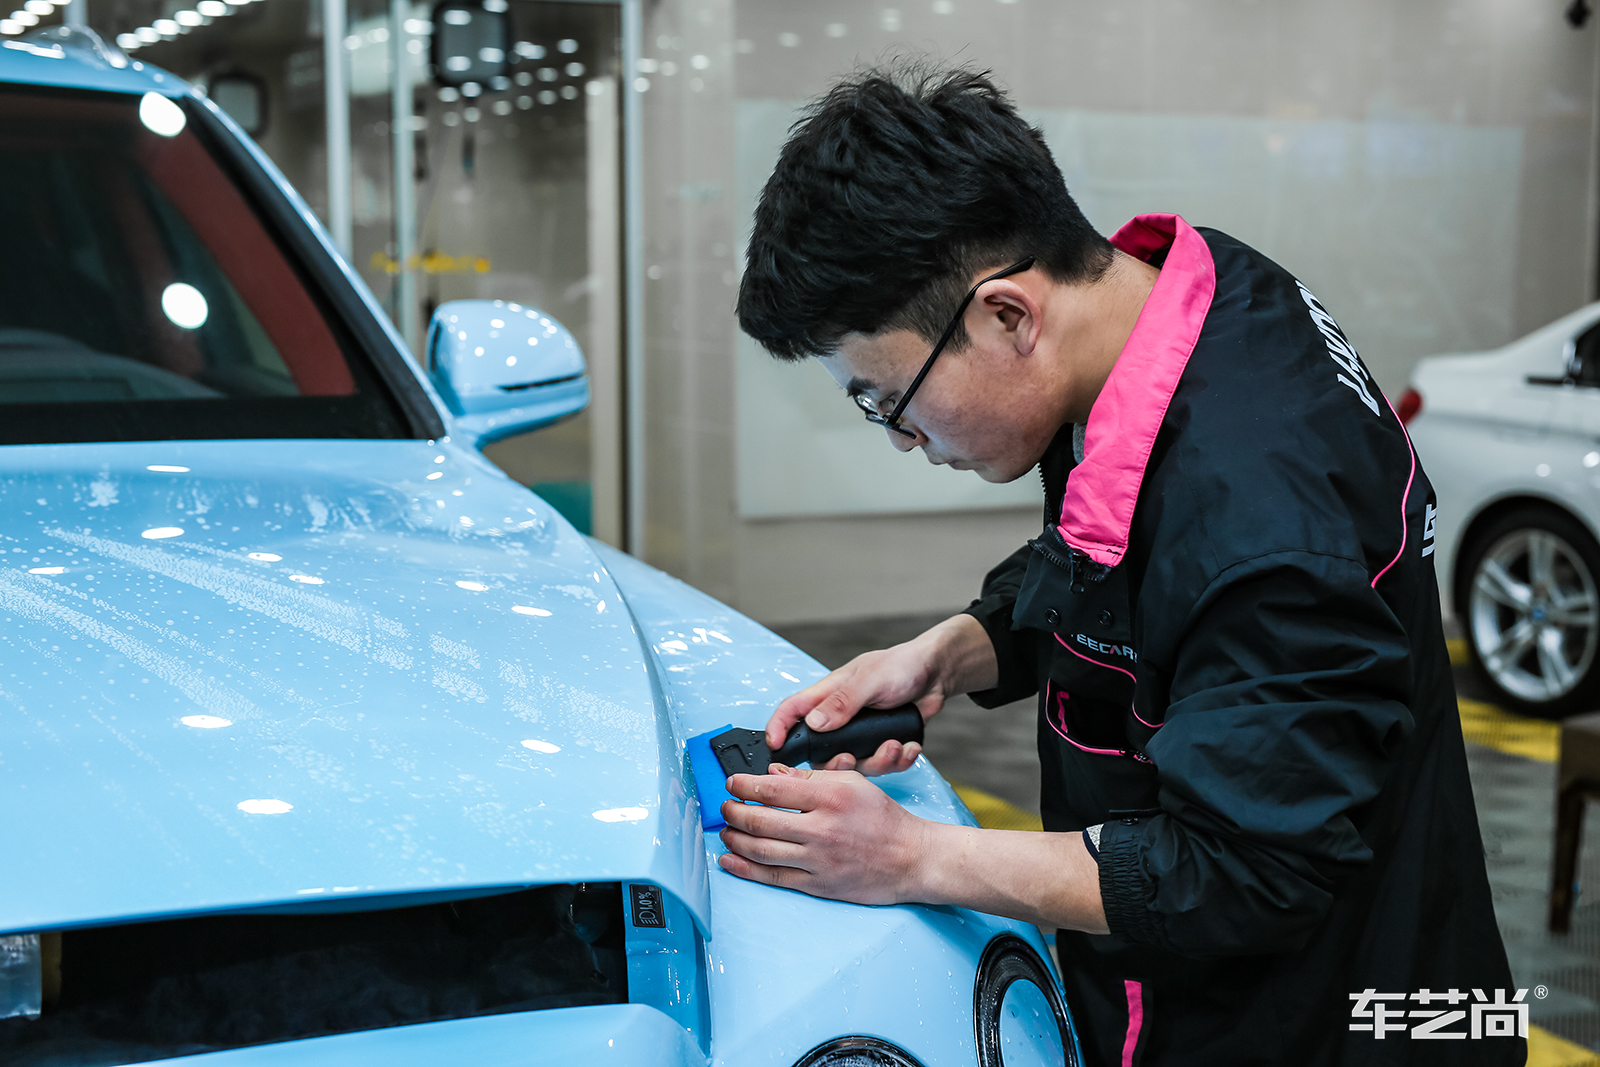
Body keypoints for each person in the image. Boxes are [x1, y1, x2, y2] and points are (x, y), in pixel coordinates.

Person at [726, 63, 1518, 1065]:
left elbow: (1240, 870)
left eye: (889, 399)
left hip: (1328, 1020)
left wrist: (911, 856)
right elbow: (1123, 549)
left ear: (1007, 315)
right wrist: (950, 652)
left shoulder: (1262, 513)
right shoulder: (1183, 306)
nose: (901, 438)